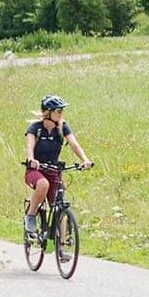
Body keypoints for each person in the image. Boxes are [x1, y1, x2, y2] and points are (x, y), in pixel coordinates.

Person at [24, 95, 93, 239]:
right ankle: (30, 216)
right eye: (58, 110)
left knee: (59, 205)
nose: (61, 113)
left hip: (53, 170)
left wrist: (85, 160)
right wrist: (31, 159)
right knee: (43, 184)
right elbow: (30, 145)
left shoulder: (62, 127)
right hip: (36, 170)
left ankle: (61, 245)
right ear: (48, 113)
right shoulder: (35, 128)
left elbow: (74, 144)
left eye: (62, 110)